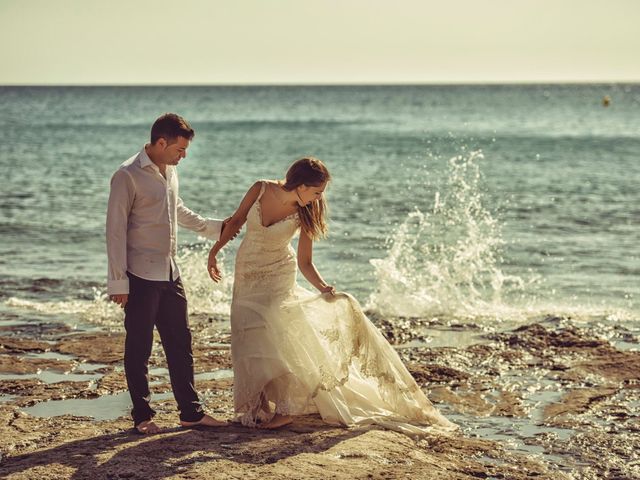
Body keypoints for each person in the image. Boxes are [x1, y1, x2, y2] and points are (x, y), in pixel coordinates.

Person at [207, 157, 457, 435]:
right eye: (317, 191)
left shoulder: (306, 212)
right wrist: (214, 251)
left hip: (279, 274)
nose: (319, 197)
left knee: (274, 336)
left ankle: (286, 409)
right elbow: (237, 220)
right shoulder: (261, 189)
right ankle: (256, 406)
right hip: (247, 270)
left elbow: (305, 262)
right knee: (246, 334)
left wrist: (323, 288)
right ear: (300, 186)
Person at [106, 113, 230, 434]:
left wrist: (217, 228)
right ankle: (143, 417)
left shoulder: (170, 171)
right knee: (139, 348)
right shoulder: (127, 175)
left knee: (181, 343)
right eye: (180, 149)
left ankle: (191, 413)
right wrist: (118, 280)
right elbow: (115, 231)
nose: (183, 155)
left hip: (170, 273)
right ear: (161, 143)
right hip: (140, 277)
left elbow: (178, 210)